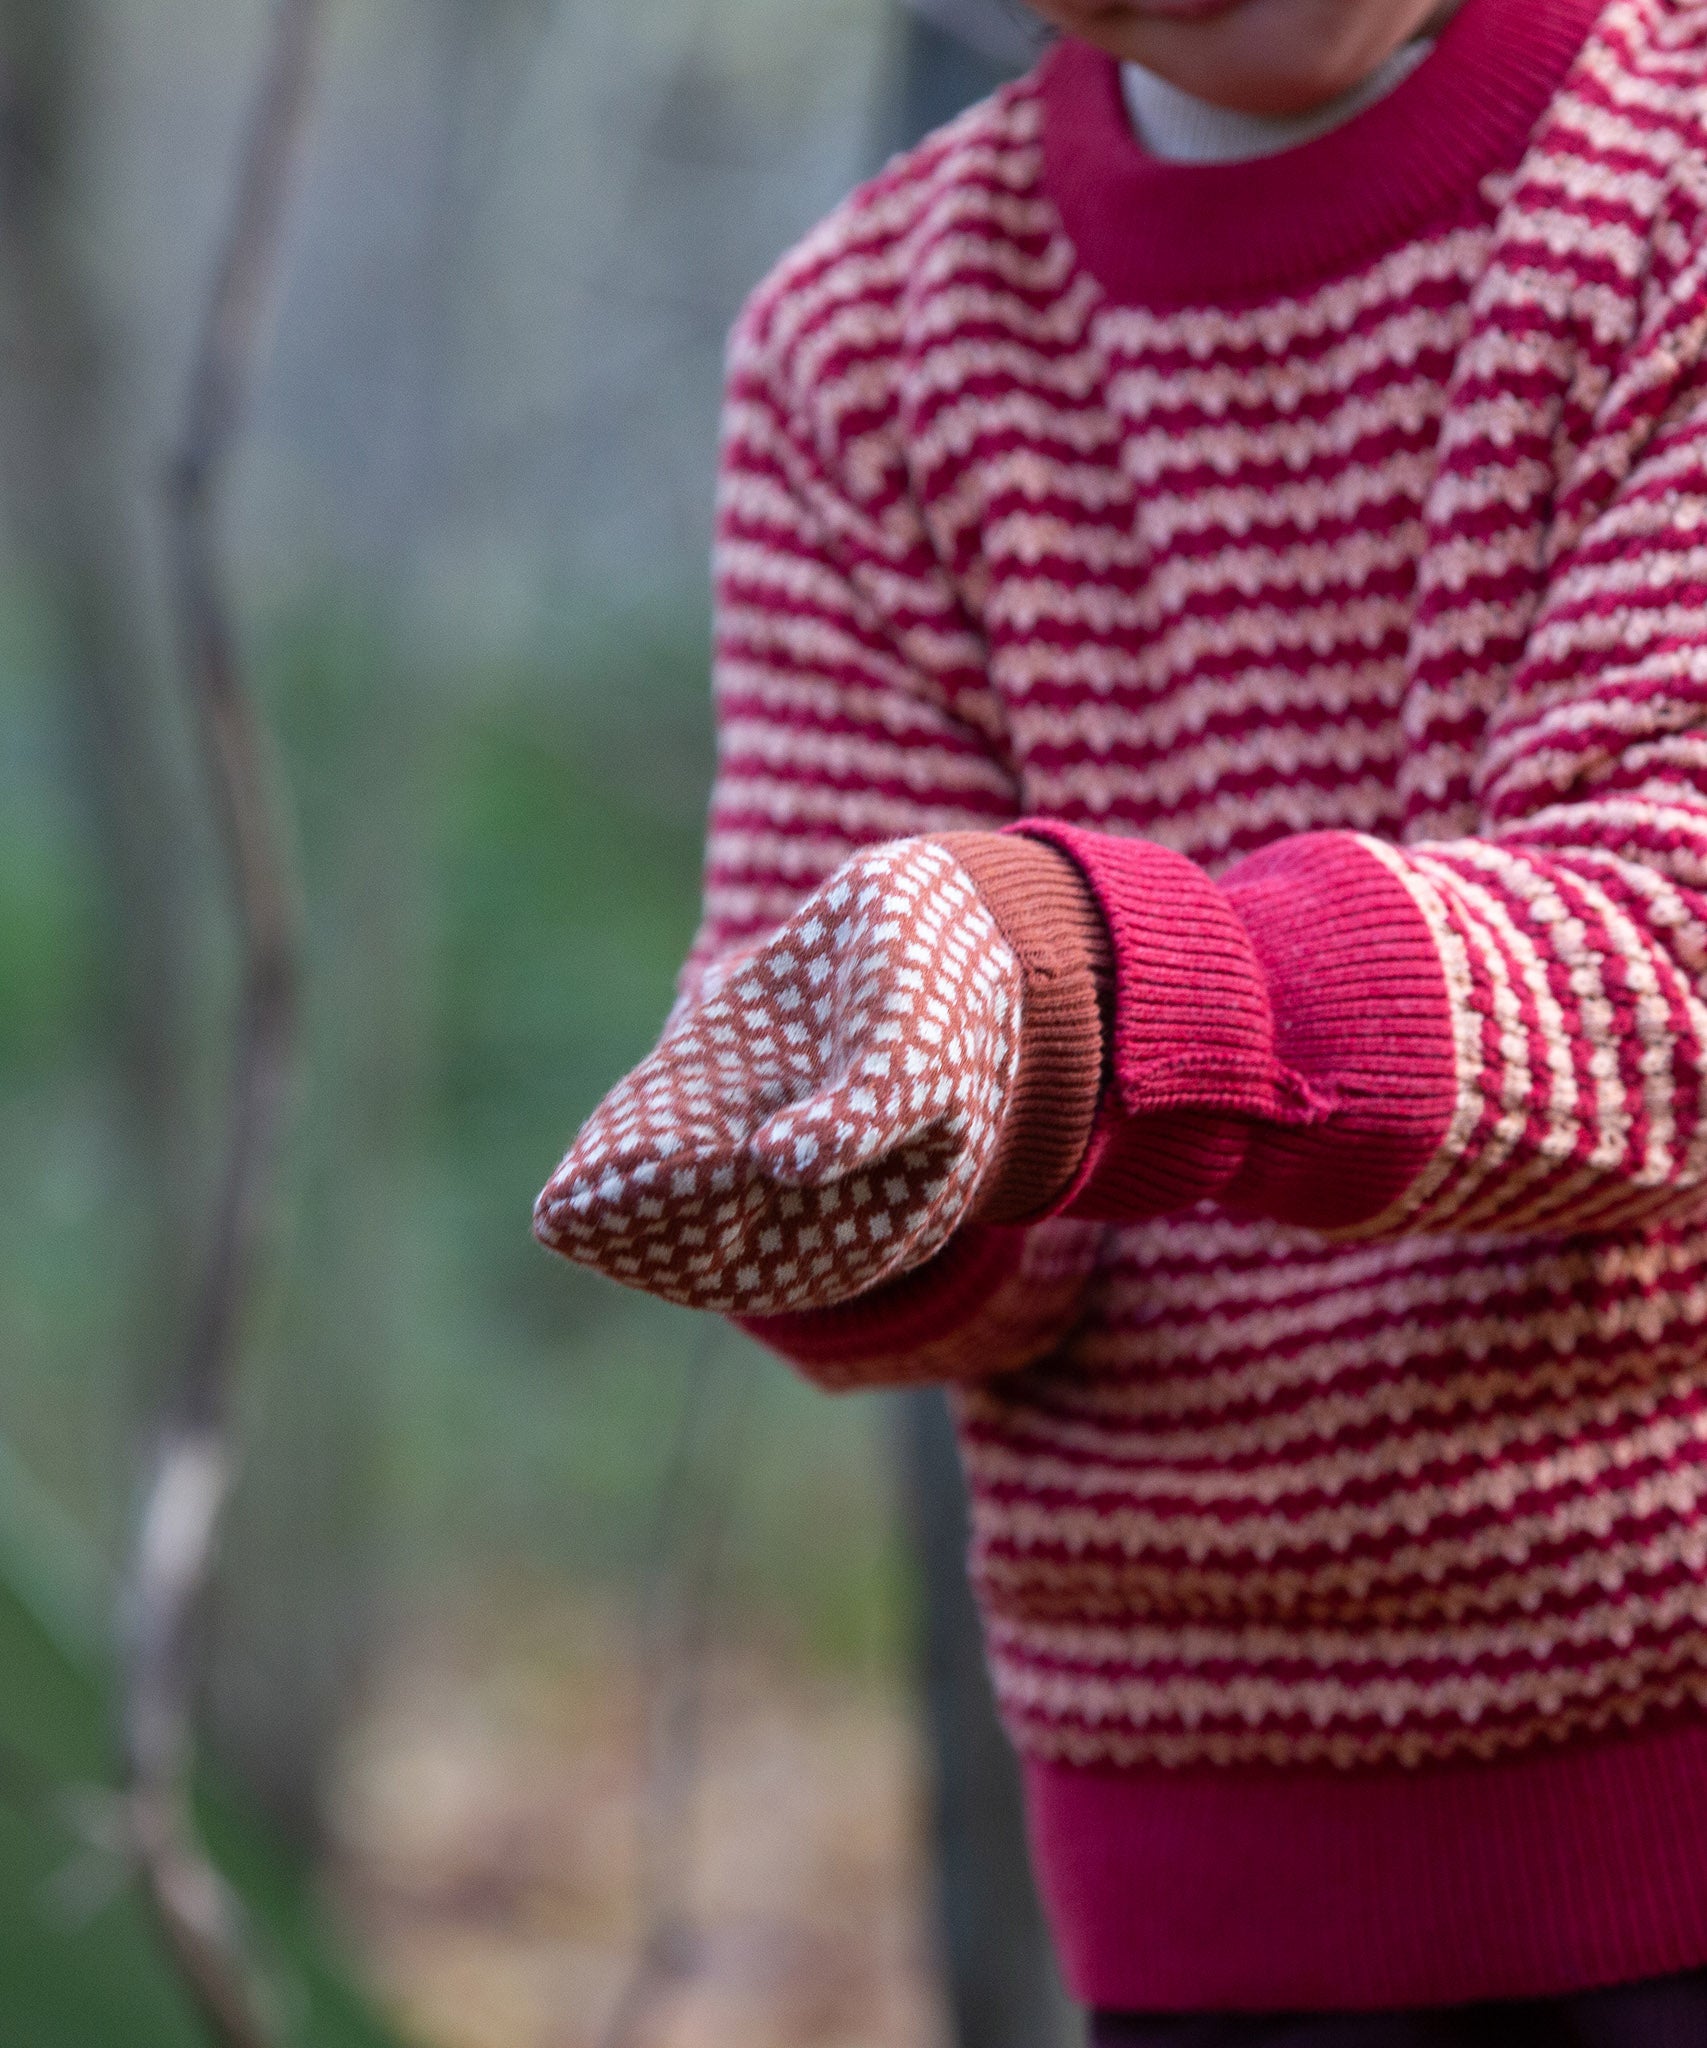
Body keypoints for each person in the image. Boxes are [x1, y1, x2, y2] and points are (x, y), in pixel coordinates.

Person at [535, 0, 1707, 2038]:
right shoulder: (866, 354)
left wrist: (1072, 991)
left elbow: (1664, 972)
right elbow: (986, 1295)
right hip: (1208, 1854)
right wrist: (832, 1197)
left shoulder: (1662, 168)